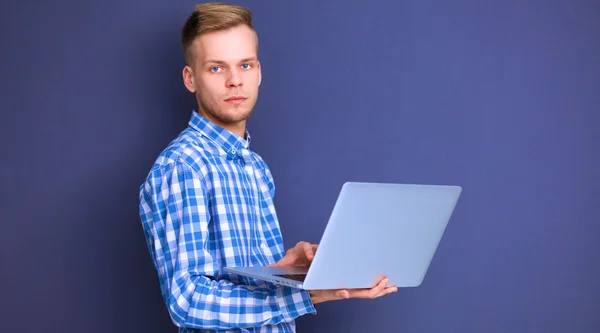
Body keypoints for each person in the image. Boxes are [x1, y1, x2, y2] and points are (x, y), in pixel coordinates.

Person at [138, 3, 397, 332]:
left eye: (244, 65)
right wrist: (310, 295)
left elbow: (243, 280)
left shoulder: (255, 168)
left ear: (259, 71)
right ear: (191, 78)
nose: (235, 80)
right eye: (216, 68)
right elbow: (188, 301)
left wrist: (287, 268)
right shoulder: (182, 166)